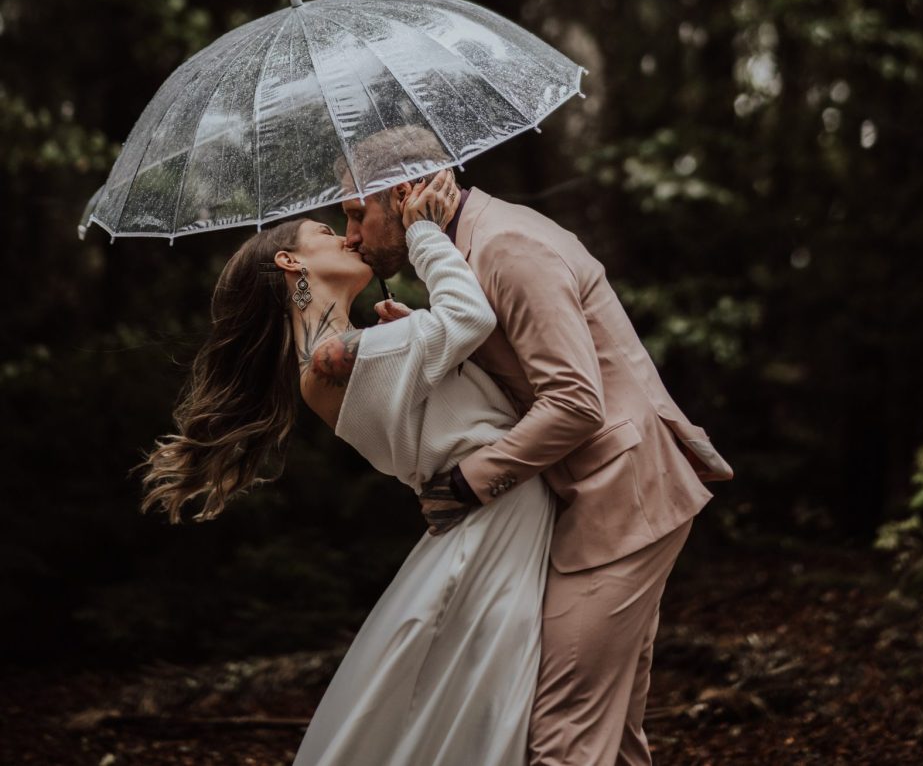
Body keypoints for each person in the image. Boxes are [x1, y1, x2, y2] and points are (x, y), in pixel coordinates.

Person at [137, 171, 556, 766]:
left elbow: (446, 401)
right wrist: (426, 235)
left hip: (489, 510)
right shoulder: (333, 358)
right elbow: (470, 321)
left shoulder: (340, 352)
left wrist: (411, 329)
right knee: (478, 708)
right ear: (291, 261)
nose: (351, 239)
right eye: (327, 232)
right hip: (494, 518)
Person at [342, 153, 734, 766]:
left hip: (621, 499)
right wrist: (427, 326)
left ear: (403, 192)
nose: (351, 236)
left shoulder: (508, 247)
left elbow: (576, 403)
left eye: (355, 214)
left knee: (559, 738)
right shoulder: (478, 246)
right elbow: (526, 364)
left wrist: (467, 483)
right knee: (613, 734)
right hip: (598, 496)